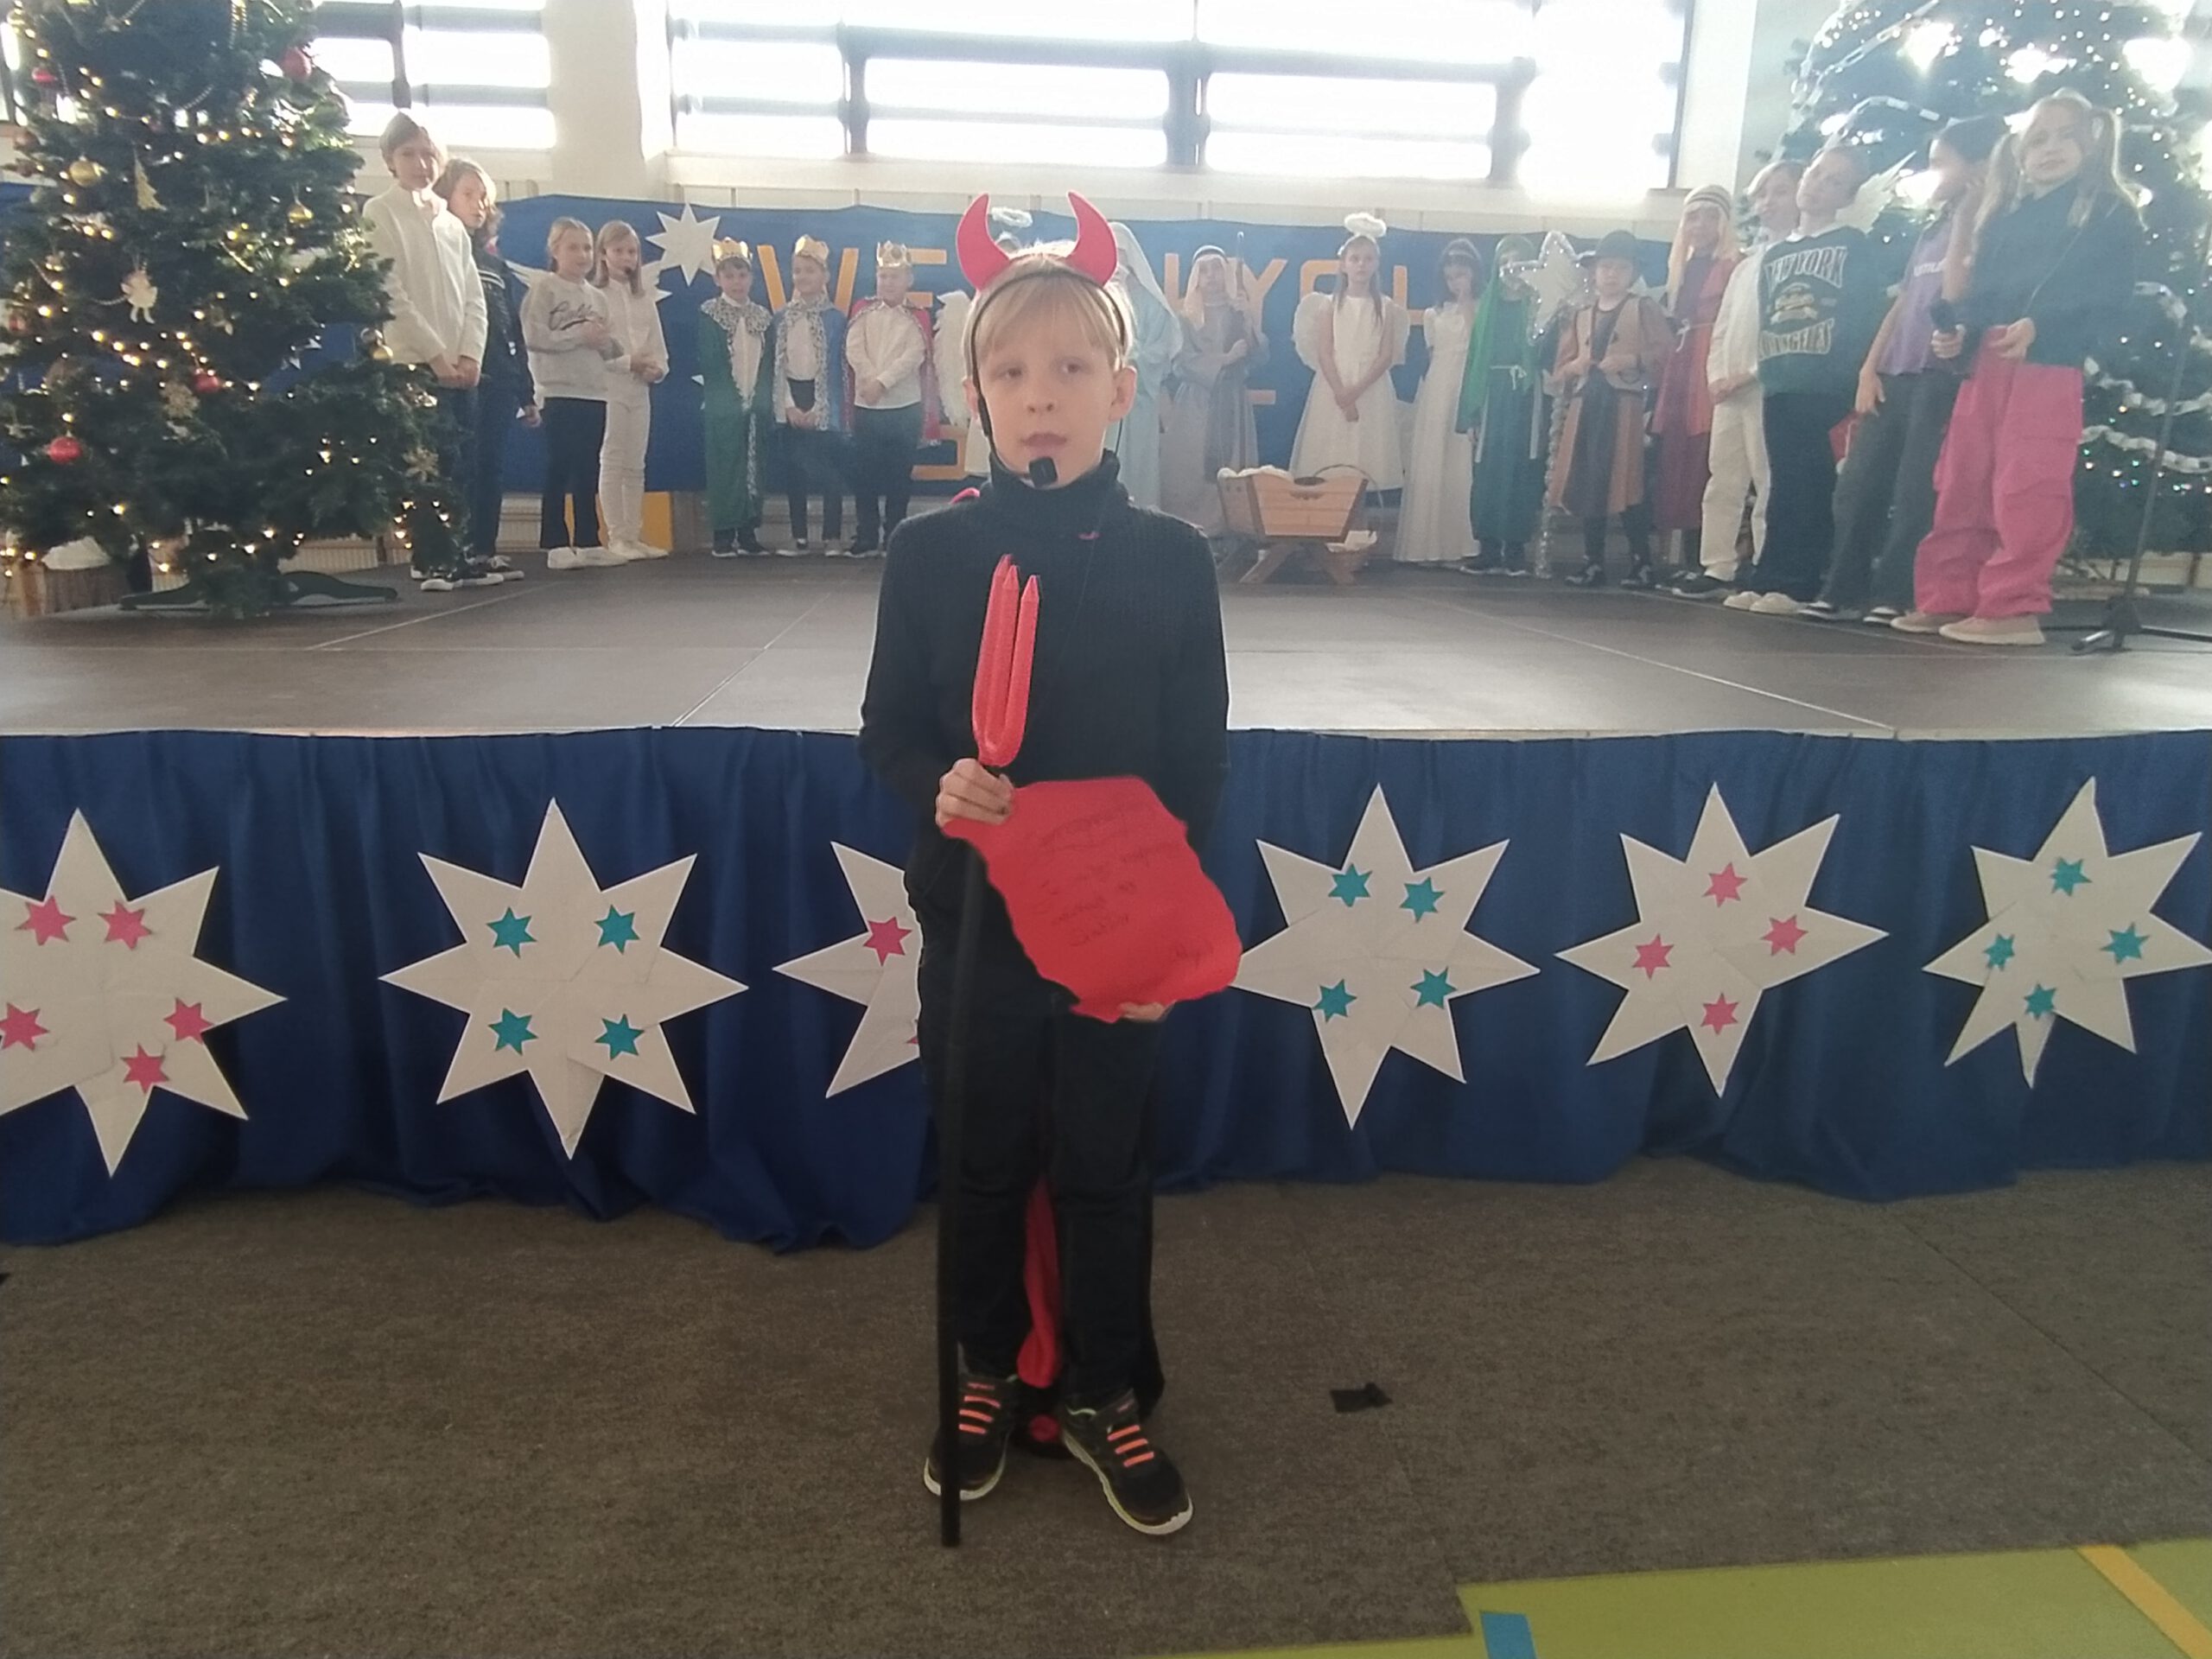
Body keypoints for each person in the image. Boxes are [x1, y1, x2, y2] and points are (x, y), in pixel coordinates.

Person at [857, 193, 1228, 1540]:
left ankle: (1102, 1384)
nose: (1041, 396)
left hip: (1115, 929)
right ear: (975, 398)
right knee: (981, 1153)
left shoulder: (1173, 563)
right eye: (1010, 373)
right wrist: (938, 784)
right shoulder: (932, 555)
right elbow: (889, 727)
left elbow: (1196, 763)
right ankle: (983, 1367)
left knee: (1104, 1164)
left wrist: (1163, 940)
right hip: (980, 923)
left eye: (1072, 367)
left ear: (1122, 389)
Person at [1898, 91, 2141, 646]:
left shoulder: (2107, 213)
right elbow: (1984, 294)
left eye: (2065, 137)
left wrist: (2043, 325)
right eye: (2038, 140)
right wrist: (1959, 333)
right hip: (1989, 362)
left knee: (2026, 482)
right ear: (2019, 153)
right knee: (1962, 478)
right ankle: (1952, 594)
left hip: (2047, 364)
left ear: (2092, 142)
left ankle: (2012, 605)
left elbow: (2108, 295)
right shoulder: (2008, 217)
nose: (2051, 149)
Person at [1808, 116, 2006, 624]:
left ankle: (1895, 591)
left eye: (1942, 163)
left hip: (1939, 374)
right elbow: (1904, 302)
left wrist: (1970, 215)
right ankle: (1841, 585)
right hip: (1895, 370)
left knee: (1914, 488)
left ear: (1979, 167)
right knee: (1859, 483)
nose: (1932, 173)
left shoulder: (1989, 225)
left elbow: (1961, 294)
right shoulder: (1932, 227)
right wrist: (1869, 367)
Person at [1726, 143, 1885, 615]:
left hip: (1825, 382)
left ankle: (1800, 581)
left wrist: (1851, 372)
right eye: (1816, 175)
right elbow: (1770, 314)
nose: (1818, 187)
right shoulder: (1777, 253)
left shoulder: (1853, 245)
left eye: (1835, 182)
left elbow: (1863, 312)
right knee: (1781, 482)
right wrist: (1767, 368)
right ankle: (1770, 575)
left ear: (1848, 196)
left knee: (1810, 482)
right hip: (1781, 379)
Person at [362, 113, 497, 590]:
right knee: (424, 463)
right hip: (414, 362)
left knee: (462, 461)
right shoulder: (380, 212)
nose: (421, 164)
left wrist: (471, 354)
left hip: (459, 365)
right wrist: (436, 356)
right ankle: (430, 556)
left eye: (428, 155)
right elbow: (391, 293)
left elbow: (473, 296)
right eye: (409, 154)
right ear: (390, 159)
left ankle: (459, 551)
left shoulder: (451, 224)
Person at [1669, 160, 1802, 599]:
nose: (1768, 203)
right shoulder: (1747, 265)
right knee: (1722, 478)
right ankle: (1718, 564)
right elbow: (1723, 327)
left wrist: (1750, 373)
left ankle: (1764, 563)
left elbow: (1790, 327)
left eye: (1779, 192)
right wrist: (1716, 376)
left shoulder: (1796, 257)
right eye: (1762, 194)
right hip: (1728, 389)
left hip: (1764, 385)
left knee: (1766, 479)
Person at [432, 157, 535, 581]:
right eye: (468, 194)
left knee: (491, 464)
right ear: (445, 196)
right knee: (459, 464)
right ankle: (445, 553)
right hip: (457, 375)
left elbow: (513, 329)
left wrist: (525, 390)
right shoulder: (439, 252)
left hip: (498, 377)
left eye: (484, 198)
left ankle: (482, 549)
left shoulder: (495, 265)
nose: (478, 205)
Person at [1551, 231, 1670, 588]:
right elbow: (1560, 369)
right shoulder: (1580, 316)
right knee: (1589, 481)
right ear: (1594, 272)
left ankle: (1642, 561)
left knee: (1627, 479)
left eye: (1620, 268)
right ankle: (1593, 561)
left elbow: (1665, 354)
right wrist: (1575, 366)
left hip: (1624, 404)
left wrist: (1631, 360)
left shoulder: (1643, 309)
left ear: (1633, 273)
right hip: (1587, 403)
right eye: (1606, 267)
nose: (1612, 274)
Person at [520, 216, 620, 569]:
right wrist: (578, 336)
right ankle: (555, 541)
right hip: (559, 391)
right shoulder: (544, 289)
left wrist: (606, 343)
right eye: (573, 247)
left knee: (588, 466)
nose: (582, 255)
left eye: (587, 248)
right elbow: (533, 337)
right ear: (555, 250)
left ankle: (589, 539)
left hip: (594, 392)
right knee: (559, 464)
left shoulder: (597, 297)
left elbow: (609, 348)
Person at [1649, 186, 1740, 575]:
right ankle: (1685, 557)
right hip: (1683, 362)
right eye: (1692, 217)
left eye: (1709, 217)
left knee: (1707, 455)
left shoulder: (1734, 265)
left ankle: (1706, 558)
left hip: (1711, 358)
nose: (1700, 225)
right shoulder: (1681, 269)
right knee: (1679, 456)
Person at [1290, 213, 1408, 488]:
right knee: (1331, 457)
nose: (1361, 265)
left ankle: (1361, 511)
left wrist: (1355, 392)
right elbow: (1325, 352)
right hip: (1334, 386)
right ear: (1343, 264)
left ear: (1376, 264)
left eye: (1368, 259)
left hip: (1371, 388)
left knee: (1366, 459)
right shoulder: (1329, 305)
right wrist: (1342, 394)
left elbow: (1386, 356)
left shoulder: (1387, 308)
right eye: (1355, 259)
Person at [1454, 234, 1548, 577]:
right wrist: (1471, 413)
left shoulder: (1539, 308)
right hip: (1492, 397)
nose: (1512, 269)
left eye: (1518, 261)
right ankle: (1489, 546)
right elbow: (1475, 360)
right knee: (1488, 472)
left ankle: (1515, 548)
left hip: (1525, 396)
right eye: (1505, 262)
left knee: (1521, 470)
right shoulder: (1488, 308)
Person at [1159, 245, 1268, 532]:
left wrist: (1249, 321)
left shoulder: (1238, 312)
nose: (1211, 276)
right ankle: (1188, 531)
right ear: (1196, 277)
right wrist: (1224, 359)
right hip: (1195, 404)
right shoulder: (1185, 318)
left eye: (1217, 269)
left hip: (1233, 403)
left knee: (1232, 471)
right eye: (1204, 270)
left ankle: (1230, 530)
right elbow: (1182, 362)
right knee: (1190, 470)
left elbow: (1259, 357)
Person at [845, 241, 935, 557]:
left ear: (909, 279)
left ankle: (895, 534)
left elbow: (914, 355)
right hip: (867, 406)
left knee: (899, 476)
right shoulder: (863, 310)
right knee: (864, 475)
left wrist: (882, 382)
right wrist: (869, 379)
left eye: (895, 276)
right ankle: (866, 534)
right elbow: (854, 348)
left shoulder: (917, 316)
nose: (888, 282)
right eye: (883, 276)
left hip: (904, 408)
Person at [1396, 239, 1483, 564]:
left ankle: (1460, 545)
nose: (1455, 282)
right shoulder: (1433, 314)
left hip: (1467, 382)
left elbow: (1478, 343)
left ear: (1474, 274)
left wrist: (1466, 302)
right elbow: (1433, 355)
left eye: (1462, 275)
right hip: (1437, 387)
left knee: (1460, 461)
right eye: (1450, 277)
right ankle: (1427, 545)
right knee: (1434, 459)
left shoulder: (1483, 308)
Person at [592, 219, 669, 561]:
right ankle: (617, 535)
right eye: (619, 251)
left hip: (639, 390)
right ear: (603, 254)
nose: (627, 258)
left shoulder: (644, 300)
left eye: (632, 252)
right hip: (609, 387)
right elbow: (597, 350)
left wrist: (657, 369)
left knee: (636, 463)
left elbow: (658, 348)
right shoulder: (595, 297)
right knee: (613, 458)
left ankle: (633, 535)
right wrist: (628, 363)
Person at [769, 234, 849, 554]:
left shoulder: (836, 319)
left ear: (825, 276)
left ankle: (832, 535)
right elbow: (778, 365)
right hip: (792, 393)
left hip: (823, 396)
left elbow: (836, 366)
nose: (803, 277)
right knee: (795, 472)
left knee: (830, 470)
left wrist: (820, 407)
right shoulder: (781, 318)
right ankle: (798, 536)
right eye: (798, 271)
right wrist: (788, 405)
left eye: (810, 271)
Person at [699, 238, 772, 558]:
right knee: (725, 467)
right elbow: (711, 361)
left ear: (751, 278)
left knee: (753, 467)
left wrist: (757, 398)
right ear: (718, 279)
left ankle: (748, 531)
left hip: (755, 402)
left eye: (742, 275)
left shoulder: (761, 317)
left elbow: (767, 362)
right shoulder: (711, 314)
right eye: (729, 276)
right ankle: (724, 533)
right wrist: (733, 399)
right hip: (724, 405)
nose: (736, 282)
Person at [1103, 221, 1181, 512]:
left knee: (1138, 465)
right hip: (1100, 399)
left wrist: (1132, 357)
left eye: (1121, 253)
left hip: (1138, 400)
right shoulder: (1094, 299)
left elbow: (1160, 349)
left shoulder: (1150, 302)